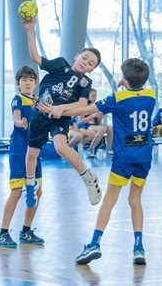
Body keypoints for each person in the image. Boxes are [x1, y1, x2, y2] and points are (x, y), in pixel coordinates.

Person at [40, 58, 155, 265]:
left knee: (109, 200)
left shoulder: (117, 98)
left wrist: (60, 110)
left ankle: (94, 243)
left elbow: (86, 109)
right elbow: (122, 102)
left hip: (124, 157)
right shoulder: (151, 95)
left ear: (123, 80)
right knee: (135, 200)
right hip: (144, 155)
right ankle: (139, 247)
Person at [22, 18, 102, 207]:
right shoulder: (60, 64)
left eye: (90, 63)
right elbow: (35, 57)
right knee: (32, 153)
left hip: (61, 117)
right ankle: (30, 183)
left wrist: (61, 109)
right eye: (85, 58)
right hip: (40, 115)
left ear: (92, 69)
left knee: (61, 147)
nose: (86, 63)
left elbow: (81, 104)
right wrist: (30, 31)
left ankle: (88, 178)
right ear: (77, 56)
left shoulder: (85, 84)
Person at [0, 66, 44, 248]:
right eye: (24, 80)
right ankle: (2, 233)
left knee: (37, 192)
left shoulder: (39, 101)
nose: (28, 82)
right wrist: (20, 122)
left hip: (35, 151)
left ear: (35, 83)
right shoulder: (18, 99)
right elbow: (16, 118)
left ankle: (26, 231)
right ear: (18, 84)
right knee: (16, 192)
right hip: (19, 150)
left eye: (31, 79)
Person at [78, 88, 114, 158]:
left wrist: (100, 117)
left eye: (96, 96)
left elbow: (98, 122)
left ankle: (109, 148)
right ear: (87, 96)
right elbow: (81, 122)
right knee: (102, 129)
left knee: (110, 128)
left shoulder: (96, 106)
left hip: (95, 126)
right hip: (85, 126)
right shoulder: (83, 106)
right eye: (93, 96)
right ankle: (91, 149)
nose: (95, 98)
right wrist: (92, 116)